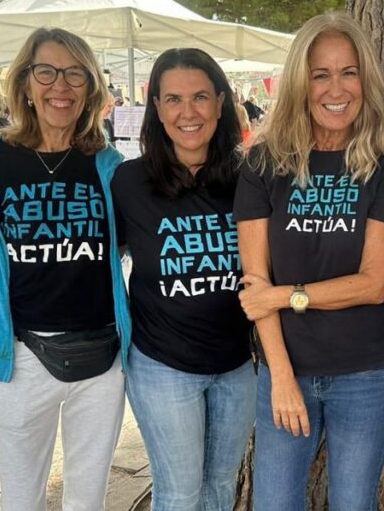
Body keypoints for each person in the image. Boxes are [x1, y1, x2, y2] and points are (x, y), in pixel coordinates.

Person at [0, 27, 131, 511]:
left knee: (88, 499)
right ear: (25, 82)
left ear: (90, 88)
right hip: (22, 358)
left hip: (103, 361)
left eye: (75, 74)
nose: (60, 87)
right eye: (46, 71)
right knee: (22, 499)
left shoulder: (109, 165)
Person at [233, 12, 384, 510]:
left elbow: (374, 284)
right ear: (299, 83)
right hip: (285, 367)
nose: (337, 88)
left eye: (349, 72)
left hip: (367, 375)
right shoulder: (263, 165)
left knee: (353, 503)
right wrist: (282, 376)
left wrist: (289, 297)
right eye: (321, 74)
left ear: (365, 80)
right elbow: (255, 285)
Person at [112, 48, 253, 511]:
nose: (187, 112)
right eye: (173, 99)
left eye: (199, 98)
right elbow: (96, 262)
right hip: (163, 367)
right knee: (178, 493)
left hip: (237, 366)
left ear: (220, 103)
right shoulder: (129, 182)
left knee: (220, 487)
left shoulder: (250, 178)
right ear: (156, 107)